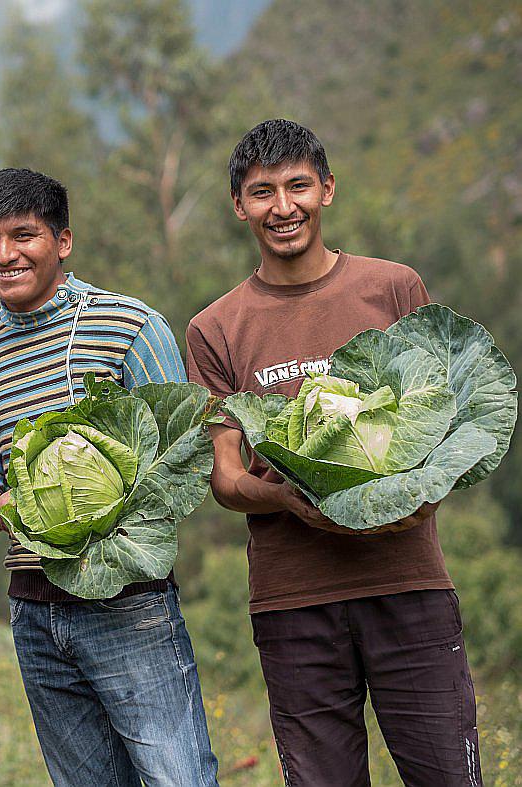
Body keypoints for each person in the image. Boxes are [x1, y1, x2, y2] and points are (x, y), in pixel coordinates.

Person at [186, 119, 482, 785]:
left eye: (297, 186)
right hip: (293, 598)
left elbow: (444, 418)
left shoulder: (392, 288)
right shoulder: (213, 327)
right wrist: (283, 496)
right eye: (262, 192)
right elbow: (226, 478)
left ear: (326, 190)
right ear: (239, 205)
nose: (282, 207)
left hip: (407, 579)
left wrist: (412, 494)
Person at [0, 168, 218, 786]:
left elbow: (184, 451)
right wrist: (17, 512)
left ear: (63, 242)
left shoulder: (130, 328)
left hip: (131, 606)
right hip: (34, 613)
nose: (4, 254)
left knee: (177, 779)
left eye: (24, 235)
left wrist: (98, 527)